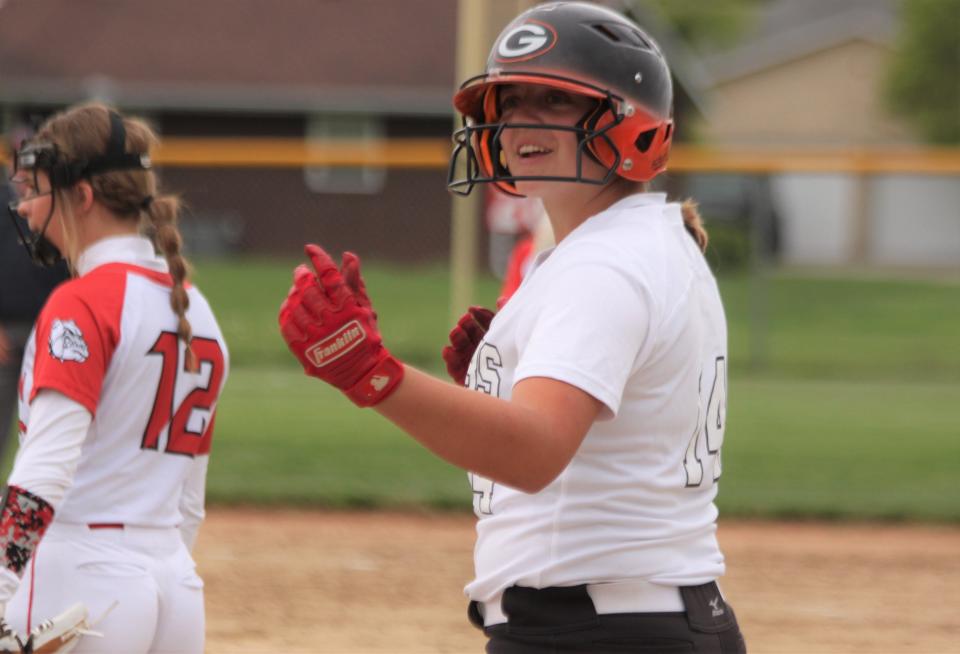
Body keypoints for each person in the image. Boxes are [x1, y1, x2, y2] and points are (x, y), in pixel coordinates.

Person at [278, 2, 745, 652]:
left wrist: (370, 373)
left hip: (595, 630)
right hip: (646, 617)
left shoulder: (603, 264)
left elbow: (532, 453)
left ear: (630, 124)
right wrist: (494, 393)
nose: (521, 120)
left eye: (554, 101)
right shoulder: (646, 243)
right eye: (509, 102)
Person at [0, 102, 229, 653]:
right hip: (173, 579)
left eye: (35, 189)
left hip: (79, 575)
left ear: (82, 196)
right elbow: (189, 500)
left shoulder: (82, 302)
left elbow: (46, 468)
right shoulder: (197, 309)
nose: (26, 210)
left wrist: (3, 579)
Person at [0, 134, 70, 462]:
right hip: (6, 331)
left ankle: (33, 497)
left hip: (55, 331)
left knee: (48, 428)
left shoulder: (59, 206)